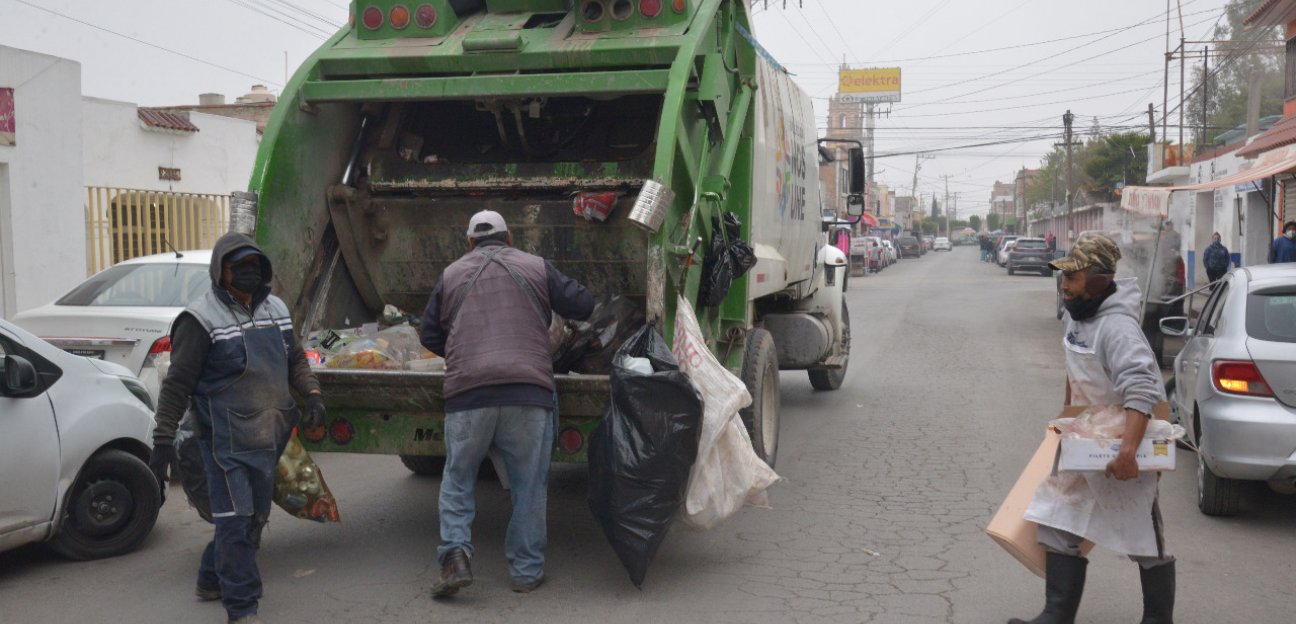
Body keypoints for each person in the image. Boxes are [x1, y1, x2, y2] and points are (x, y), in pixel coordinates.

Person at [148, 232, 325, 624]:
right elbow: (177, 385)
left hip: (269, 434)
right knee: (234, 520)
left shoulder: (276, 309)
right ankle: (242, 608)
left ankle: (211, 578)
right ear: (220, 271)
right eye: (239, 265)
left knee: (253, 518)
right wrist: (162, 439)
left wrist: (312, 393)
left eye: (254, 264)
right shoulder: (200, 319)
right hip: (222, 441)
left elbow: (295, 357)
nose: (249, 271)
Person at [420, 210, 594, 598]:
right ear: (509, 237)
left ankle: (455, 557)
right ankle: (526, 573)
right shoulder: (536, 266)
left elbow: (429, 334)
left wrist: (463, 353)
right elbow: (583, 304)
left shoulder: (450, 275)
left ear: (469, 243)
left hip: (468, 395)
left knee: (458, 477)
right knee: (529, 485)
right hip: (527, 393)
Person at [1012, 233, 1174, 624]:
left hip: (1121, 442)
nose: (1063, 286)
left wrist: (1128, 452)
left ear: (1099, 281)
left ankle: (1158, 618)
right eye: (1063, 277)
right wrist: (1066, 419)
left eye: (1072, 278)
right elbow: (1076, 372)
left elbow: (1143, 390)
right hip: (1085, 437)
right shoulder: (1076, 315)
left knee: (1140, 531)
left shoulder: (1118, 329)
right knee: (1056, 515)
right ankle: (1056, 614)